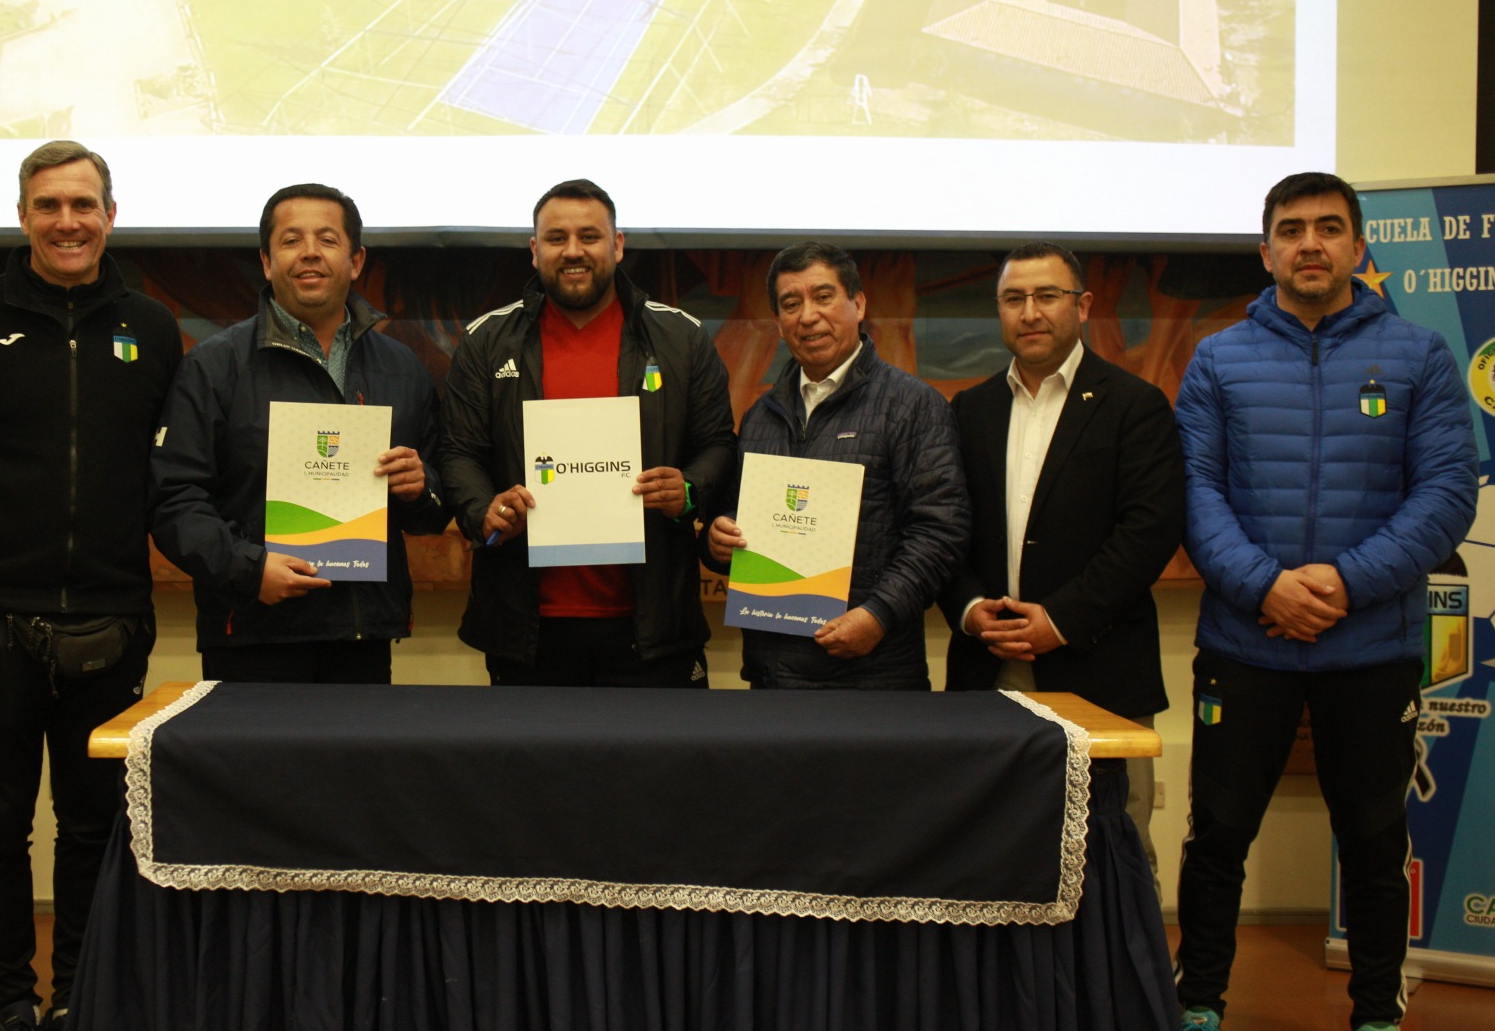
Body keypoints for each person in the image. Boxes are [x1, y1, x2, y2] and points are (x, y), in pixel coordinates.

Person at [1172, 171, 1477, 1031]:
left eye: (1329, 228)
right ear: (1266, 250)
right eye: (1292, 229)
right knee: (1218, 837)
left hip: (1370, 648)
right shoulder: (1217, 359)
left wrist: (1343, 584)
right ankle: (1197, 1012)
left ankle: (1378, 1023)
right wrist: (1266, 586)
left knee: (1376, 844)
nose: (1311, 244)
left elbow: (1447, 495)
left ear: (1357, 247)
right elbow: (1194, 492)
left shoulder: (1419, 354)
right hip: (1246, 643)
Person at [0, 141, 182, 1031]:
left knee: (94, 822)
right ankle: (11, 1015)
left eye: (84, 205)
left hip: (112, 615)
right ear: (22, 215)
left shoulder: (150, 326)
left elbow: (163, 467)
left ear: (111, 215)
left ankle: (76, 1001)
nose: (68, 222)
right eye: (49, 205)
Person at [941, 242, 1185, 876]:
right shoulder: (971, 409)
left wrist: (1061, 619)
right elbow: (944, 528)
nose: (1030, 313)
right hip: (987, 669)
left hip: (1099, 668)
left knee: (1114, 854)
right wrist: (969, 607)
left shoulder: (1134, 404)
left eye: (1046, 296)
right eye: (1013, 299)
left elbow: (1149, 532)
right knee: (993, 851)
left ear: (1083, 305)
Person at [438, 179, 736, 687]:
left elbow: (717, 444)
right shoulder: (487, 340)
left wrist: (687, 489)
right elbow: (458, 452)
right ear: (535, 251)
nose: (573, 251)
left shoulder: (681, 337)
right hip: (527, 630)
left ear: (617, 246)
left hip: (653, 626)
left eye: (589, 236)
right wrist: (482, 509)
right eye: (556, 238)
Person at [150, 184, 447, 681]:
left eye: (327, 239)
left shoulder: (401, 368)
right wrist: (250, 571)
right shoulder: (215, 366)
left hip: (363, 638)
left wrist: (422, 487)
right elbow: (174, 500)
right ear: (267, 262)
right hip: (253, 634)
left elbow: (435, 507)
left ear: (356, 261)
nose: (310, 252)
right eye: (291, 240)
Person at [706, 242, 967, 688]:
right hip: (772, 676)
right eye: (791, 304)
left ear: (858, 304)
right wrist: (718, 540)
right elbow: (733, 513)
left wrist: (878, 615)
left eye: (823, 297)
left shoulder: (913, 406)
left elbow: (940, 532)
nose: (808, 316)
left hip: (873, 676)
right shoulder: (760, 416)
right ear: (778, 323)